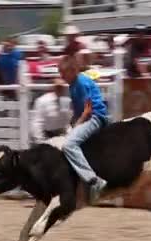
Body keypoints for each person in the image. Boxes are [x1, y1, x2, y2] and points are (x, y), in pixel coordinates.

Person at [59, 56, 109, 203]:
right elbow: (78, 110)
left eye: (63, 72)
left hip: (96, 117)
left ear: (73, 70)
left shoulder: (80, 83)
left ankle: (94, 181)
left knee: (69, 145)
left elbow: (88, 110)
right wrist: (71, 125)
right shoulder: (73, 84)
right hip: (89, 117)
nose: (61, 76)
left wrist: (76, 125)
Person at [30, 78, 72, 144]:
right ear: (53, 88)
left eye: (62, 87)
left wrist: (70, 136)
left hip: (62, 137)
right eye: (58, 87)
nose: (60, 89)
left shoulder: (66, 101)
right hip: (47, 137)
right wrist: (40, 141)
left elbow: (67, 122)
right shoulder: (42, 101)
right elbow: (37, 123)